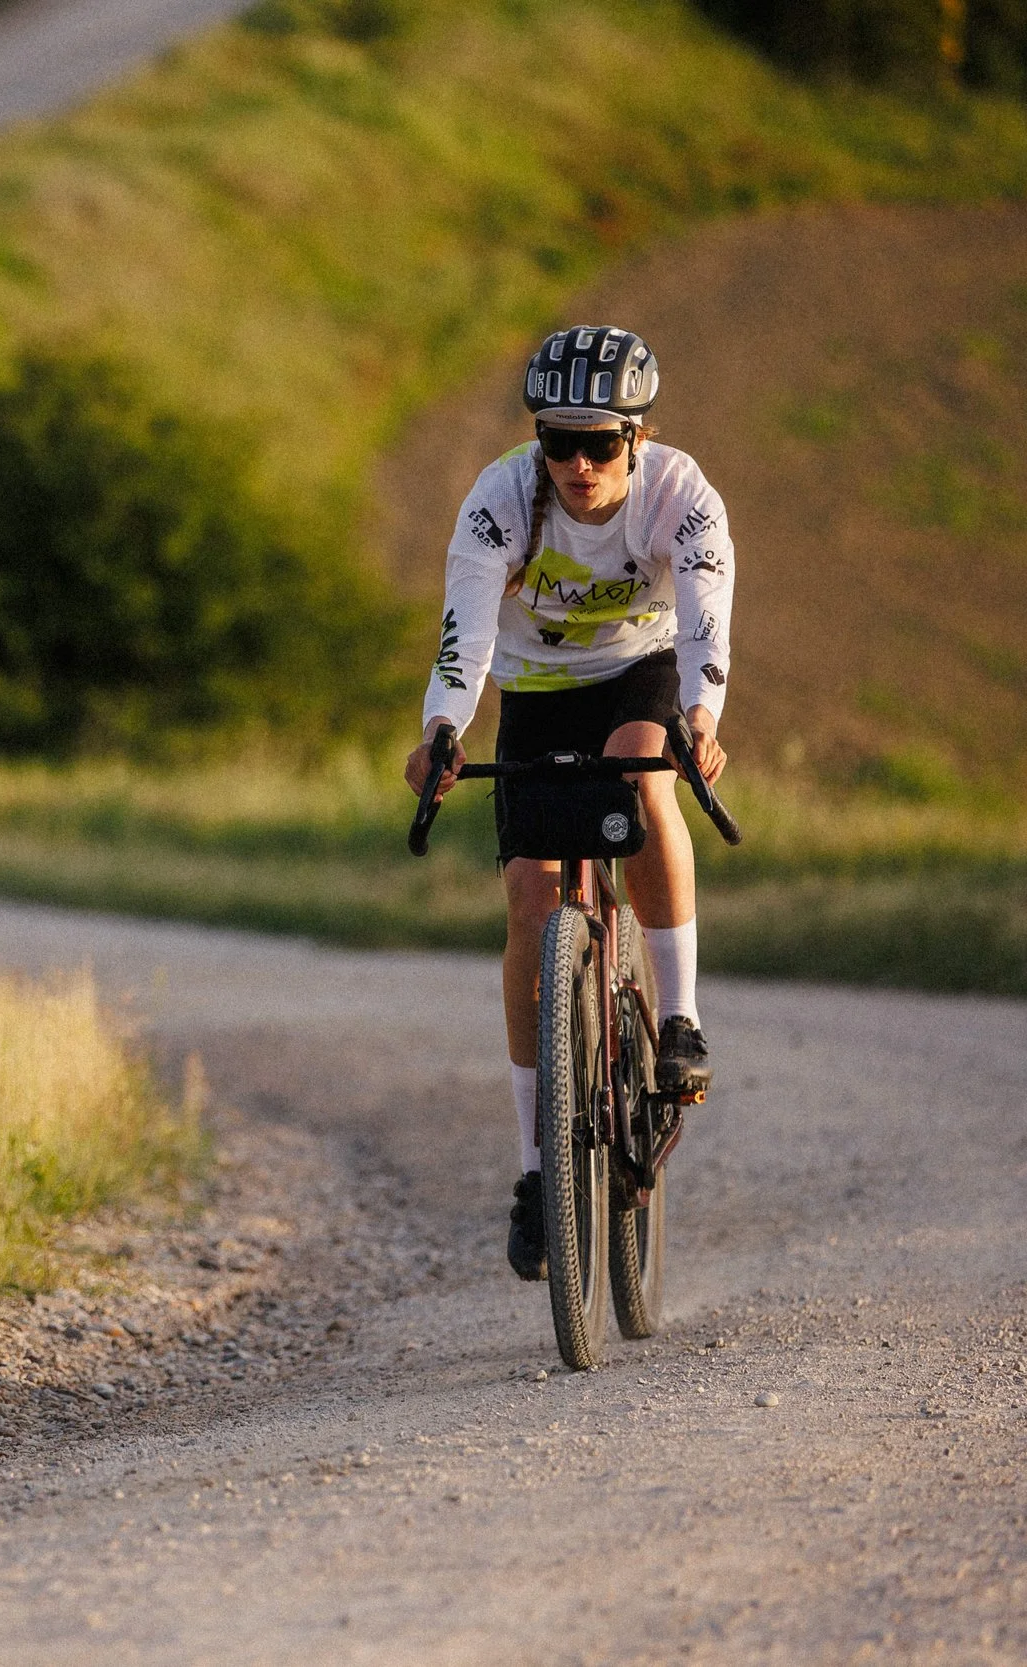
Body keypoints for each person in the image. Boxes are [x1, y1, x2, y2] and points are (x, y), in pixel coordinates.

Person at [402, 324, 732, 1282]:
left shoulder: (681, 495)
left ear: (638, 436)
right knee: (529, 901)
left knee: (642, 773)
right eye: (558, 441)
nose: (579, 464)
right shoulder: (500, 501)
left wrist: (700, 719)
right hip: (537, 689)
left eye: (599, 442)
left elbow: (706, 622)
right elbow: (463, 638)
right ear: (537, 439)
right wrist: (442, 730)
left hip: (642, 670)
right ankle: (538, 1172)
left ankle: (679, 1019)